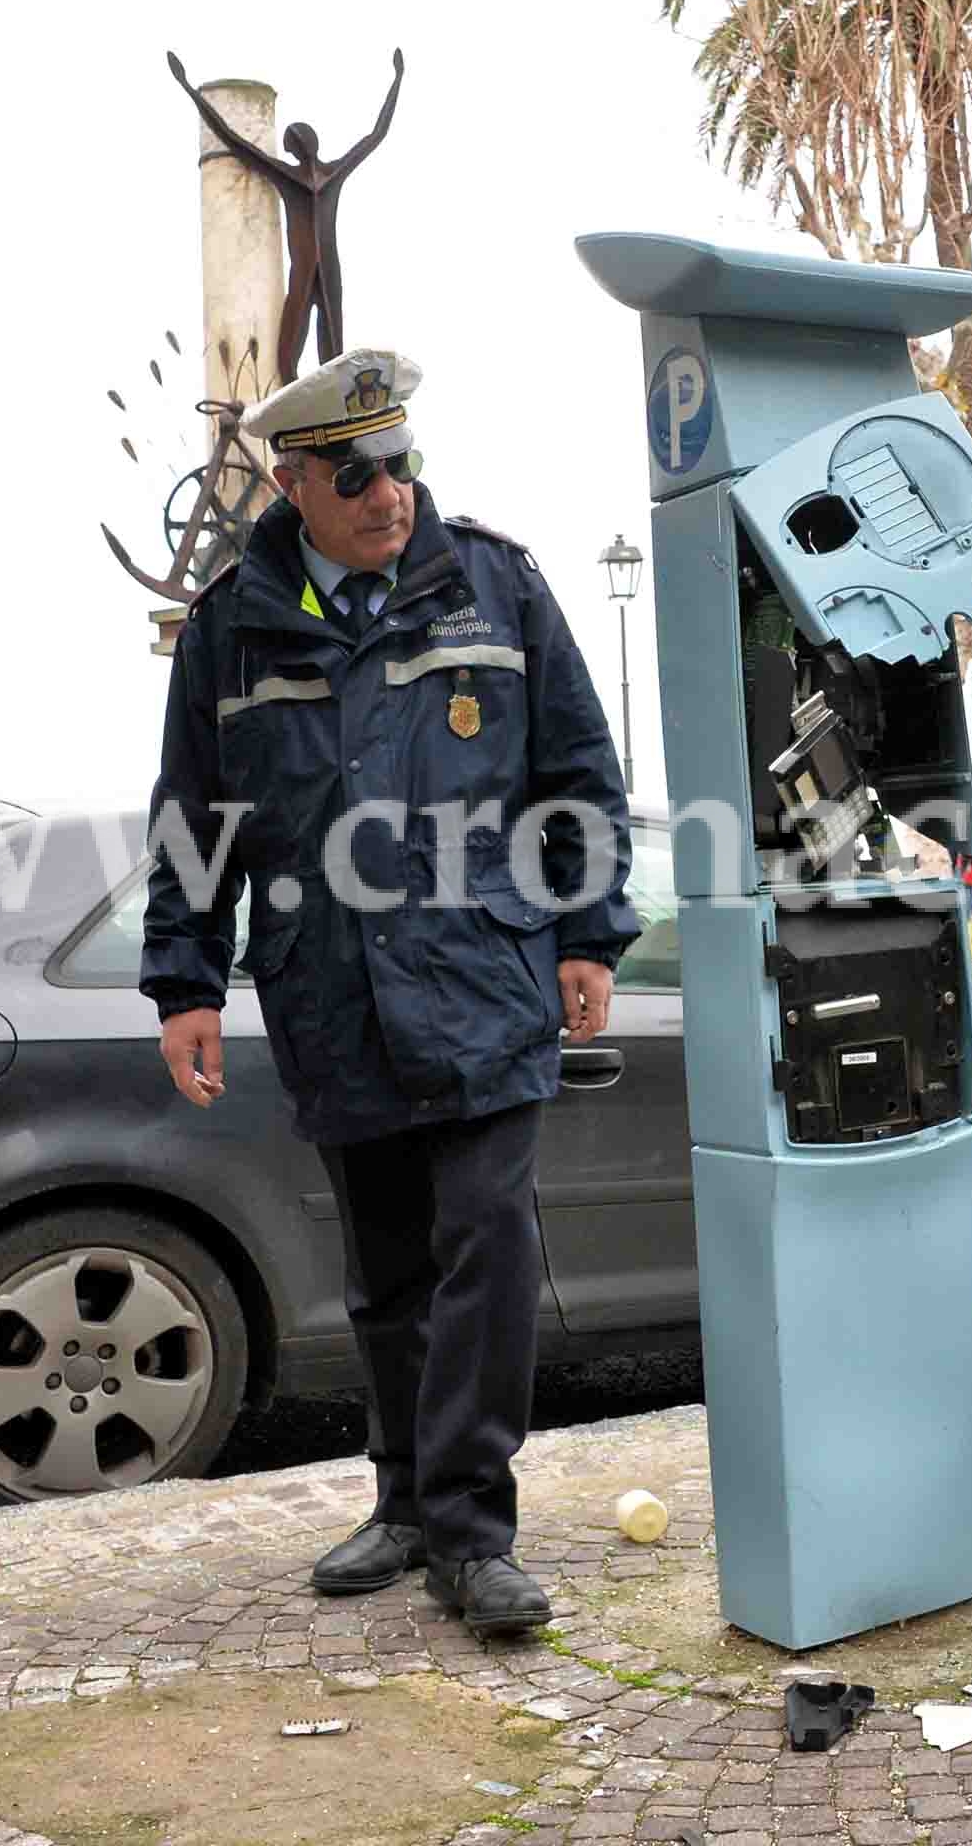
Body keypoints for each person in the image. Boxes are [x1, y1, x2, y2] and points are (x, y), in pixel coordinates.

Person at [142, 347, 637, 1637]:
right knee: (386, 1276)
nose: (390, 494)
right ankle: (407, 1500)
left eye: (401, 461)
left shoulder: (497, 585)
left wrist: (591, 932)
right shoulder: (229, 629)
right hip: (335, 994)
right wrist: (183, 979)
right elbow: (193, 817)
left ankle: (475, 1535)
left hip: (484, 977)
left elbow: (579, 769)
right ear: (297, 481)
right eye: (356, 472)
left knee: (485, 1251)